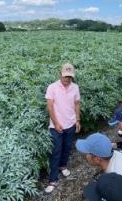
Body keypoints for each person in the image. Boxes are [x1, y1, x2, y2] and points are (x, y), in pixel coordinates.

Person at [44, 63, 81, 193]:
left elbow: (77, 104)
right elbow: (50, 107)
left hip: (70, 124)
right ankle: (53, 180)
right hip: (56, 126)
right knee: (55, 152)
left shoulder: (75, 87)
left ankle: (63, 166)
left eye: (70, 77)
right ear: (60, 74)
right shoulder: (52, 87)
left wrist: (77, 120)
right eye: (65, 76)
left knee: (67, 147)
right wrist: (56, 123)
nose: (67, 79)